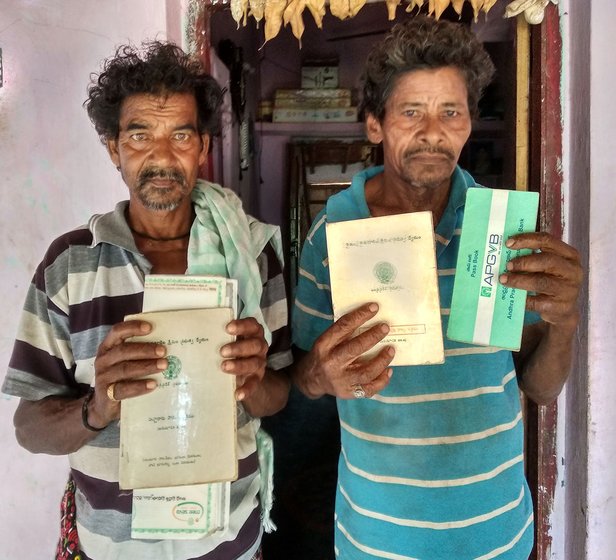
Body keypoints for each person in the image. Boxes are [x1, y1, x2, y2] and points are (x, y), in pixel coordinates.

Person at [291, 15, 582, 560]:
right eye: (411, 112)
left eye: (451, 112)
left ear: (470, 123)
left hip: (497, 538)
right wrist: (316, 376)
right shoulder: (332, 235)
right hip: (377, 542)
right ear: (376, 125)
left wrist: (565, 324)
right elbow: (298, 380)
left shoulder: (503, 231)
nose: (432, 132)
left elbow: (539, 389)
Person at [2, 41, 292, 560]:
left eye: (180, 134)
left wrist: (252, 381)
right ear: (113, 148)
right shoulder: (71, 265)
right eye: (139, 136)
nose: (161, 156)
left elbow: (277, 395)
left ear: (202, 146)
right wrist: (100, 405)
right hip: (114, 546)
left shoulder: (251, 252)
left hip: (229, 537)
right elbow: (29, 428)